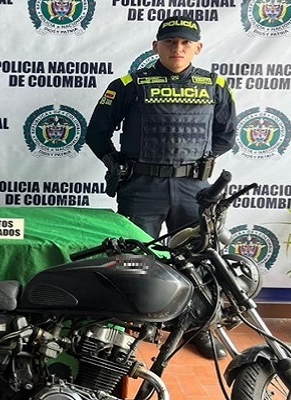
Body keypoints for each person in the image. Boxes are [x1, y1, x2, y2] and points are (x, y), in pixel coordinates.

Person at [85, 16, 236, 360]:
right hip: (142, 187)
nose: (177, 48)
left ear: (198, 48)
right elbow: (96, 133)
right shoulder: (129, 84)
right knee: (134, 260)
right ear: (156, 46)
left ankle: (199, 327)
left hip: (193, 188)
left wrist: (198, 160)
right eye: (169, 41)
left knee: (198, 261)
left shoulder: (215, 85)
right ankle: (128, 331)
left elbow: (227, 135)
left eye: (185, 43)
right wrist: (116, 163)